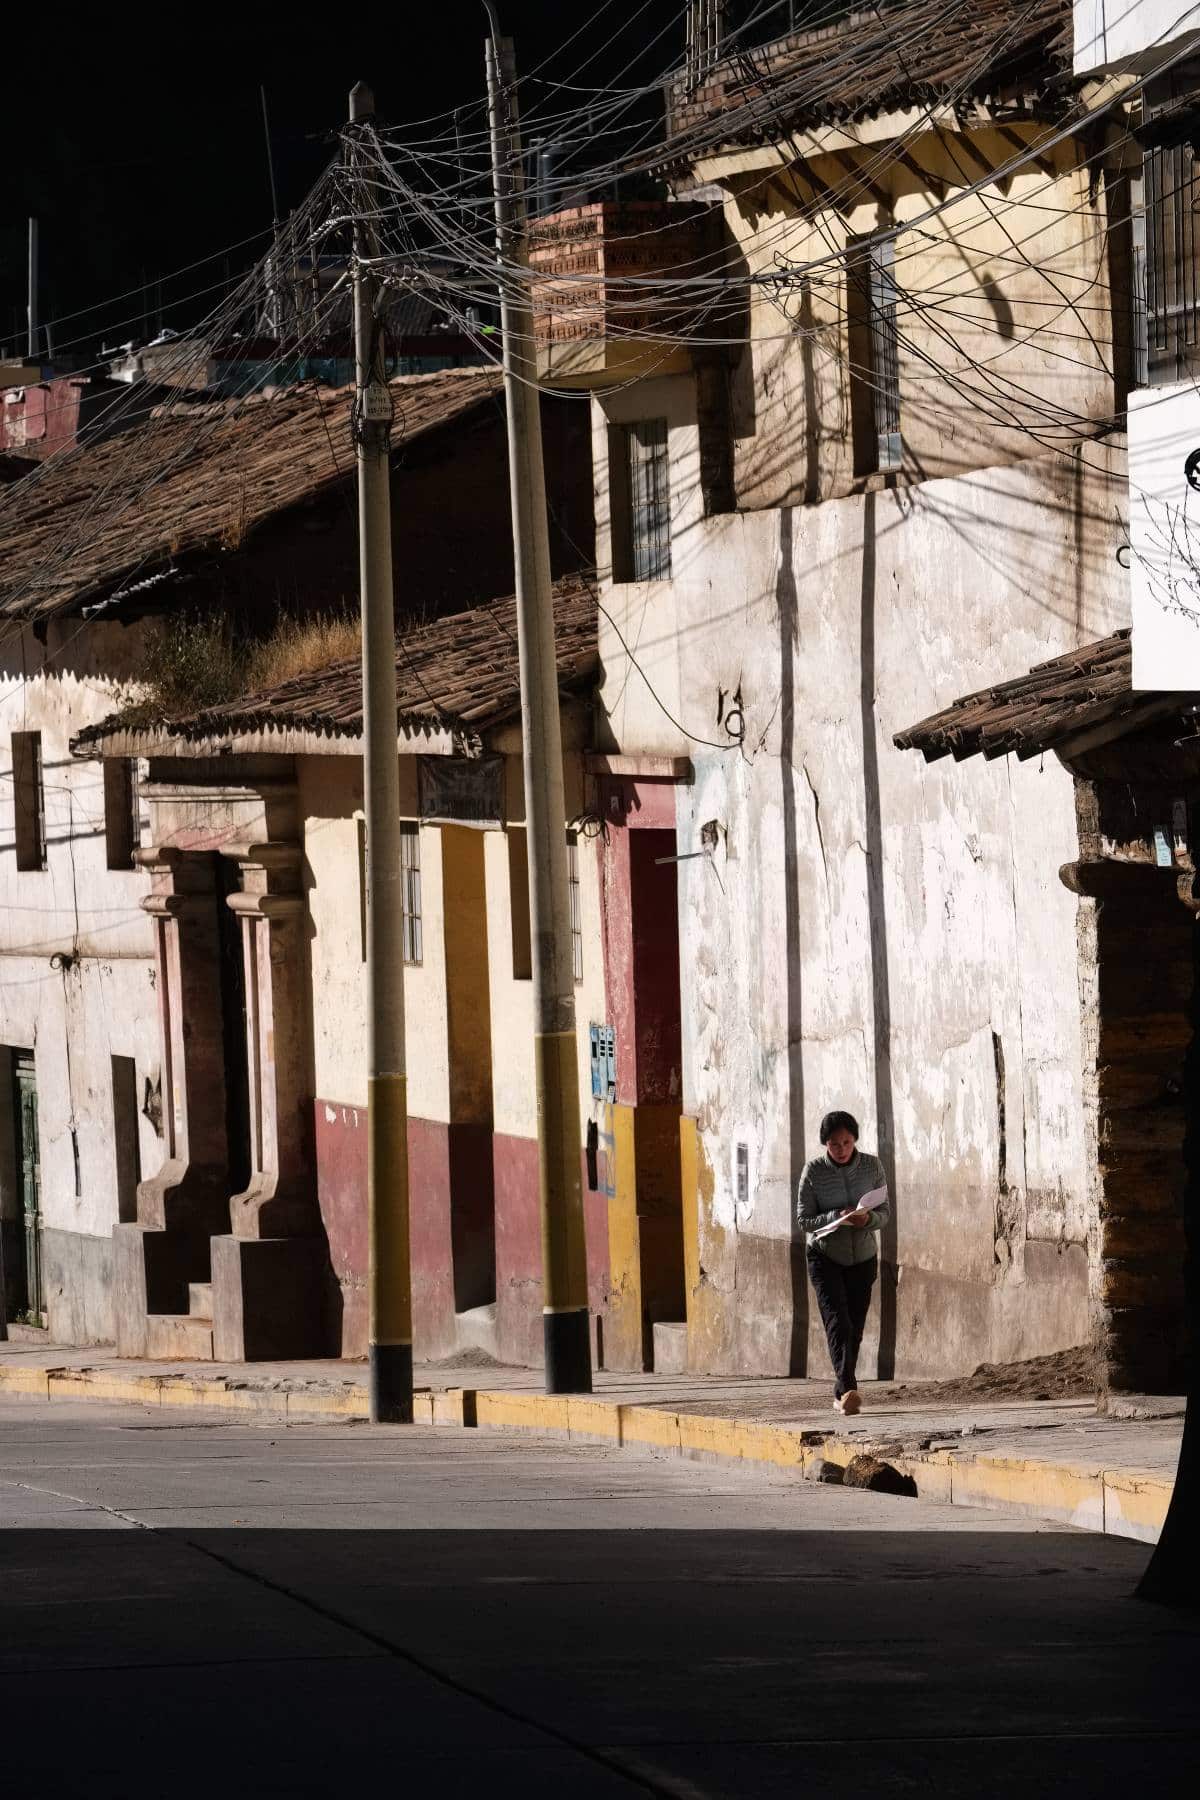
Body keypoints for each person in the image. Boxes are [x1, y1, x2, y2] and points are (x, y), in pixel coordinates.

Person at [796, 1110, 890, 1416]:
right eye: (835, 1144)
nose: (841, 1149)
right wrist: (835, 1217)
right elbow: (804, 1219)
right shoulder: (813, 1172)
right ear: (826, 1144)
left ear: (855, 1140)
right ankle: (849, 1388)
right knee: (838, 1321)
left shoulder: (872, 1166)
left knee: (856, 1326)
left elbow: (885, 1212)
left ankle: (843, 1391)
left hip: (862, 1256)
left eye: (847, 1142)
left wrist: (868, 1218)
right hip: (825, 1256)